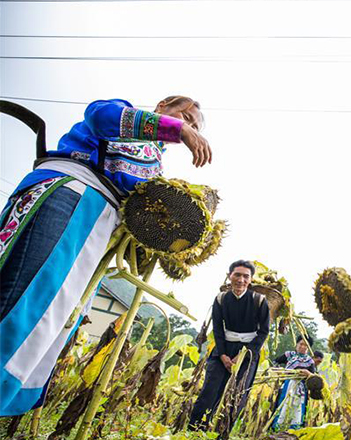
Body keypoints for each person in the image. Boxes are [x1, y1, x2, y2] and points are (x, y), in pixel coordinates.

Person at [0, 96, 212, 416]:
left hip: (97, 230)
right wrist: (177, 128)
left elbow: (139, 218)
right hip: (71, 195)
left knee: (53, 322)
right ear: (164, 105)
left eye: (195, 125)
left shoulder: (155, 167)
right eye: (186, 115)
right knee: (27, 298)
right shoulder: (122, 113)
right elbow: (101, 116)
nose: (190, 126)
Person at [189, 260, 270, 430]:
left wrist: (244, 354)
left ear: (251, 280)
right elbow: (218, 328)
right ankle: (195, 430)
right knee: (209, 391)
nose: (241, 280)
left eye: (245, 276)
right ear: (229, 276)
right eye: (237, 275)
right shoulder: (221, 299)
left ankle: (222, 432)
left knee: (237, 395)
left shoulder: (259, 301)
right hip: (223, 348)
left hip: (248, 353)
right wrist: (224, 355)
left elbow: (263, 331)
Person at [271, 335, 315, 431]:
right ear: (296, 344)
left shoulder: (310, 361)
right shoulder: (289, 355)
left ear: (308, 348)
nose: (302, 347)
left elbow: (313, 376)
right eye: (301, 344)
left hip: (301, 388)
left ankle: (295, 429)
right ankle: (277, 427)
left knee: (297, 408)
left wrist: (307, 373)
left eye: (305, 345)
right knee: (283, 404)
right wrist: (279, 370)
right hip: (287, 385)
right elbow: (275, 361)